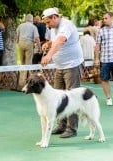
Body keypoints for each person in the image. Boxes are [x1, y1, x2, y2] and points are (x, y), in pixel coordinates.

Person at [41, 8, 84, 138]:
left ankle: (72, 129)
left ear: (55, 17)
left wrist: (48, 56)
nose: (47, 25)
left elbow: (60, 41)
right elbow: (54, 41)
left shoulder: (66, 25)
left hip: (73, 65)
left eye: (48, 22)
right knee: (57, 97)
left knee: (72, 97)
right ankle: (61, 125)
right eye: (46, 23)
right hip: (60, 66)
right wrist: (48, 44)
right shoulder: (53, 28)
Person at [16, 14, 41, 90]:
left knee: (22, 62)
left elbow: (17, 36)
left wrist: (18, 42)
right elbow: (37, 38)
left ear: (25, 19)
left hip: (20, 43)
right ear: (32, 20)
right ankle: (27, 81)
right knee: (28, 62)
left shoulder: (20, 26)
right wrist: (39, 47)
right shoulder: (33, 27)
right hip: (29, 43)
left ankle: (21, 81)